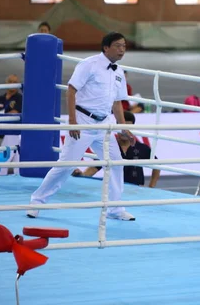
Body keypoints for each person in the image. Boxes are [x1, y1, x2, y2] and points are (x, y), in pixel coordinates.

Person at [27, 32, 136, 221]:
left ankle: (115, 208)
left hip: (105, 125)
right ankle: (37, 201)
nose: (122, 50)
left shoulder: (118, 72)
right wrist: (72, 122)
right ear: (106, 47)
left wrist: (124, 128)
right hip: (83, 121)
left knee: (116, 164)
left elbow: (117, 104)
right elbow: (71, 91)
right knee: (66, 166)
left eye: (124, 46)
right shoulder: (89, 65)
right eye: (118, 46)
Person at [72, 111, 161, 187]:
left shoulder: (142, 148)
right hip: (114, 189)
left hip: (136, 191)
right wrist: (81, 175)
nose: (124, 130)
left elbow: (157, 166)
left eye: (127, 127)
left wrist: (151, 186)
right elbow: (94, 168)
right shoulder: (109, 147)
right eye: (121, 127)